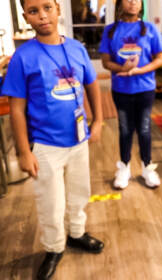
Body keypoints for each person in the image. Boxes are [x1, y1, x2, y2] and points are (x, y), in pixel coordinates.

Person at [2, 0, 104, 279]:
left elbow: (92, 85)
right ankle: (54, 247)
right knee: (51, 202)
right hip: (46, 146)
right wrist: (24, 151)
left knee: (79, 192)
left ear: (58, 9)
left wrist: (99, 120)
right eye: (34, 11)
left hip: (79, 140)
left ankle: (76, 233)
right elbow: (17, 108)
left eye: (47, 7)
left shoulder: (76, 48)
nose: (42, 16)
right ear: (26, 17)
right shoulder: (23, 58)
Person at [99, 0, 162, 189]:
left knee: (144, 129)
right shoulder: (111, 31)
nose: (133, 2)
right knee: (125, 129)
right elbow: (105, 62)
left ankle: (147, 168)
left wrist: (141, 70)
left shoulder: (149, 29)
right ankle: (124, 168)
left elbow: (160, 58)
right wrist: (122, 68)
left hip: (145, 89)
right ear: (120, 4)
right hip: (121, 90)